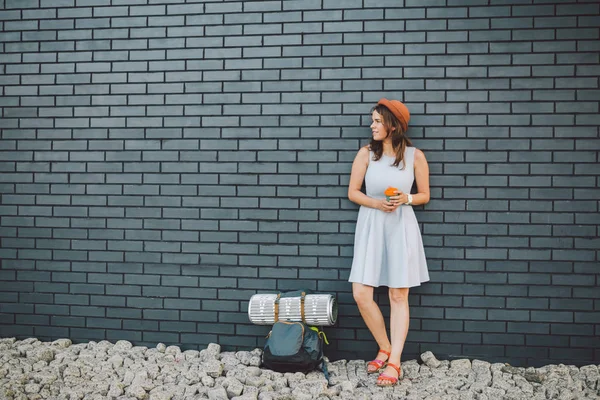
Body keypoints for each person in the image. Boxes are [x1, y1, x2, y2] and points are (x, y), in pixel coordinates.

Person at [347, 98, 430, 387]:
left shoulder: (415, 156)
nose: (372, 125)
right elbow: (353, 192)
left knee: (398, 295)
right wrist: (376, 203)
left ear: (393, 125)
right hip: (371, 224)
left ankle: (394, 361)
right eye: (373, 120)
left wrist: (404, 198)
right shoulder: (366, 154)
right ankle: (384, 345)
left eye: (377, 121)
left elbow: (424, 196)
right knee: (361, 293)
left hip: (401, 227)